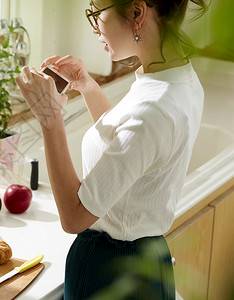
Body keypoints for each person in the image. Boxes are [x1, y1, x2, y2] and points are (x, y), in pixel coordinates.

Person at [15, 0, 207, 299]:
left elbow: (74, 218)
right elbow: (128, 149)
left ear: (136, 13)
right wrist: (88, 86)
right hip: (144, 262)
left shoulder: (154, 108)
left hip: (110, 273)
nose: (94, 27)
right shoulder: (175, 77)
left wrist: (49, 118)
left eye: (97, 12)